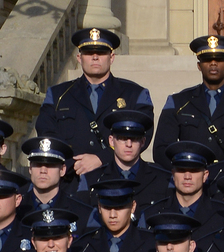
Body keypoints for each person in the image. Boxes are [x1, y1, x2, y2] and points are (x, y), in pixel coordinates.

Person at [35, 26, 153, 179]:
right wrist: (74, 164)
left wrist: (101, 158)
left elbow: (144, 134)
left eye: (101, 53)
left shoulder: (135, 94)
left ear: (112, 57)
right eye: (89, 53)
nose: (95, 57)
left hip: (117, 180)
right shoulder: (58, 95)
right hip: (71, 180)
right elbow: (47, 133)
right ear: (79, 57)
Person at [155, 32, 224, 166]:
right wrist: (185, 172)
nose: (213, 64)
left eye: (219, 59)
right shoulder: (179, 102)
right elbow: (161, 149)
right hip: (191, 178)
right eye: (207, 59)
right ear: (199, 66)